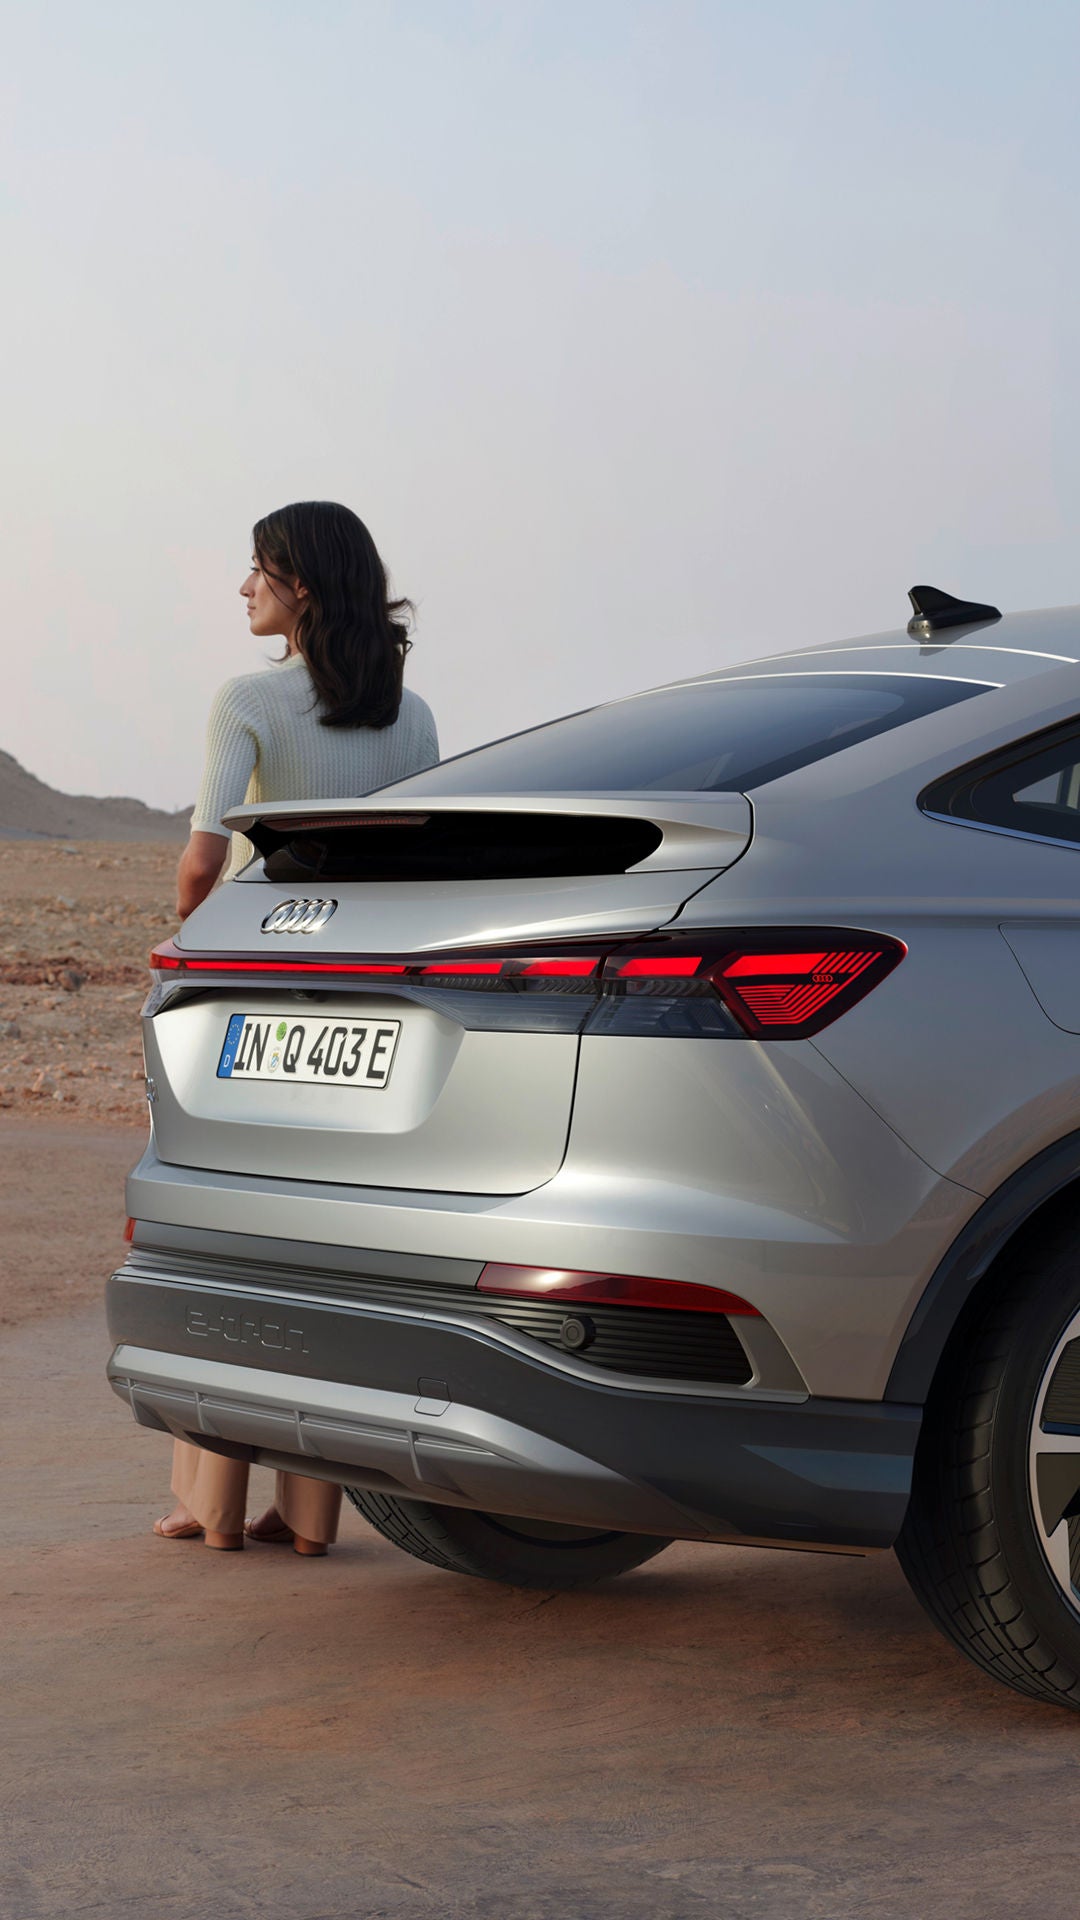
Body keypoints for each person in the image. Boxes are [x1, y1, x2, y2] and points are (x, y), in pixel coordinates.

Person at [155, 500, 439, 1553]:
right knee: (322, 1244)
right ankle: (309, 1514)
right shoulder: (411, 715)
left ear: (300, 585)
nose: (243, 589)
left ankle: (211, 1505)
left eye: (257, 572)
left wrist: (194, 958)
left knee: (223, 1238)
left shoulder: (249, 700)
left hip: (253, 990)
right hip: (366, 1002)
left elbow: (200, 862)